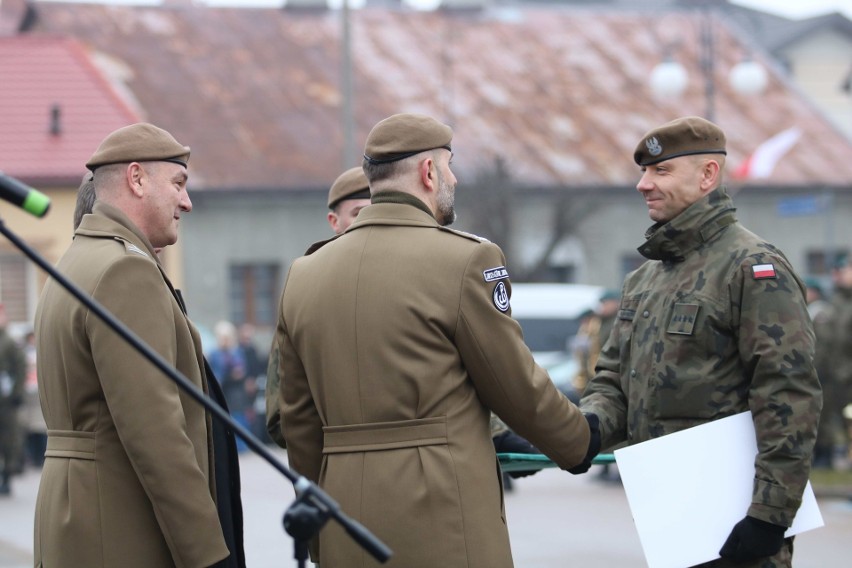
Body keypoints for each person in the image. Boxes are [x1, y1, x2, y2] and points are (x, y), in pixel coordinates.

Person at [275, 113, 598, 567]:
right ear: (428, 172)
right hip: (443, 512)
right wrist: (579, 441)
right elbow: (515, 385)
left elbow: (299, 422)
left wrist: (321, 523)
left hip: (343, 517)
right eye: (449, 166)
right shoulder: (464, 260)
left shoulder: (303, 275)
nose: (454, 177)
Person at [579, 116, 822, 568]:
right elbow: (614, 378)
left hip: (738, 523)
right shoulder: (644, 278)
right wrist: (584, 430)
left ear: (708, 175)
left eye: (660, 171)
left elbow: (787, 394)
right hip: (673, 515)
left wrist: (770, 515)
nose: (643, 185)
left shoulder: (752, 267)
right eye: (642, 172)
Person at [34, 123, 244, 567]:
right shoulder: (124, 272)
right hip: (120, 529)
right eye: (178, 184)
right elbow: (156, 434)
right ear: (136, 178)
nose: (186, 201)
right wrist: (208, 554)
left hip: (78, 521)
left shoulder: (77, 261)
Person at [813, 257, 852, 469]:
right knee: (826, 418)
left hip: (848, 374)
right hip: (832, 374)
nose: (838, 275)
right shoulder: (835, 302)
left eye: (843, 270)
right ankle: (825, 456)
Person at [0, 303, 26, 495]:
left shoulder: (9, 342)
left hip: (6, 400)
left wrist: (17, 394)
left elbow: (20, 369)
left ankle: (7, 476)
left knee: (9, 438)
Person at [19, 330, 46, 469]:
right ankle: (33, 456)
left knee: (41, 428)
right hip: (28, 395)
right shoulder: (23, 353)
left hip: (39, 394)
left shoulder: (42, 352)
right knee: (30, 428)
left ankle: (41, 456)